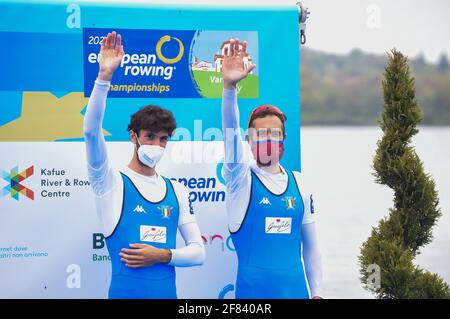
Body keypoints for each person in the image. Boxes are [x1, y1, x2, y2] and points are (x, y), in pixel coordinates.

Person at [83, 31, 205, 299]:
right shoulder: (110, 183)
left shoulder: (177, 191)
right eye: (150, 136)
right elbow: (92, 133)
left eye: (163, 139)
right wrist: (104, 77)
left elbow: (199, 252)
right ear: (133, 136)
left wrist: (162, 255)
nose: (157, 145)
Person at [220, 39, 322, 299]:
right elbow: (229, 132)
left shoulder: (300, 183)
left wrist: (318, 293)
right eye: (261, 134)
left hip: (297, 292)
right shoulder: (240, 178)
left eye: (274, 134)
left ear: (283, 139)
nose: (268, 139)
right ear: (248, 140)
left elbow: (311, 247)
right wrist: (229, 87)